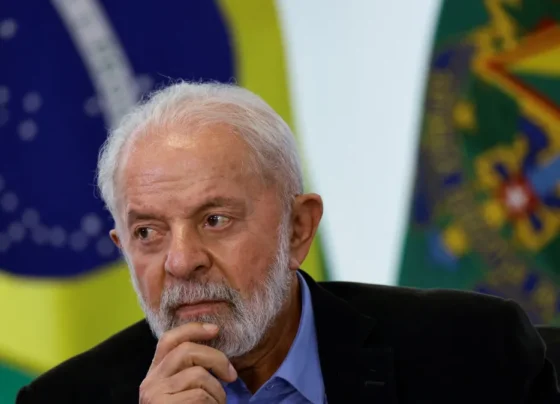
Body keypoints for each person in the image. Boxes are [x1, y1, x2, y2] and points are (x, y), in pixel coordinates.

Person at [16, 82, 560, 404]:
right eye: (148, 233)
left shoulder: (472, 351)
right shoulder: (63, 400)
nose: (181, 261)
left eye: (215, 219)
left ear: (298, 228)